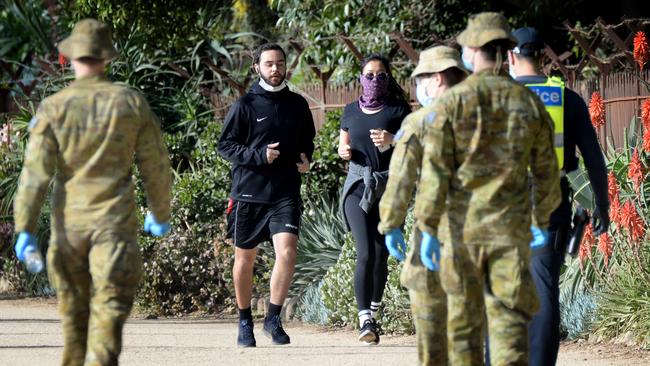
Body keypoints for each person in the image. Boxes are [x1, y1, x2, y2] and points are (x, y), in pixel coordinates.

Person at [12, 18, 172, 365]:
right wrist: (160, 213)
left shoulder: (54, 107)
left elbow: (34, 175)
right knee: (108, 316)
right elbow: (156, 167)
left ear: (70, 58)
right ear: (107, 58)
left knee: (73, 325)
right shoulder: (130, 103)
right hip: (113, 227)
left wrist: (24, 228)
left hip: (69, 228)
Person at [414, 12, 562, 365]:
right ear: (506, 51)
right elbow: (545, 169)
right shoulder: (529, 100)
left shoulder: (455, 100)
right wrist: (542, 217)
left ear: (473, 49)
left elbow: (437, 170)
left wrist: (428, 226)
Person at [508, 27, 609, 366]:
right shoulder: (565, 97)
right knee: (543, 283)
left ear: (511, 56)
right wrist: (602, 205)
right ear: (542, 56)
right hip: (550, 199)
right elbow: (593, 157)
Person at [217, 43, 315, 347]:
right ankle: (244, 319)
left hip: (285, 192)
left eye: (280, 64)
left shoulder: (297, 104)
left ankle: (273, 319)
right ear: (257, 68)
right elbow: (225, 147)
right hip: (248, 193)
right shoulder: (244, 106)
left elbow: (307, 140)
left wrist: (306, 158)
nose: (275, 69)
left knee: (287, 252)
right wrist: (260, 155)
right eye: (269, 64)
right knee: (244, 259)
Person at [378, 46, 468, 365]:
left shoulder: (419, 122)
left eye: (423, 79)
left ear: (439, 78)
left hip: (437, 230)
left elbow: (400, 179)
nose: (420, 87)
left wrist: (390, 225)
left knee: (430, 315)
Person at [338, 53, 411, 345]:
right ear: (360, 78)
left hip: (388, 186)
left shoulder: (399, 109)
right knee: (365, 252)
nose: (375, 81)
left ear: (388, 79)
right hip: (357, 184)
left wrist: (393, 140)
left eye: (381, 76)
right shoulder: (349, 110)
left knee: (382, 255)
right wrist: (342, 152)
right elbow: (343, 143)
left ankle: (375, 309)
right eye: (369, 75)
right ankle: (364, 318)